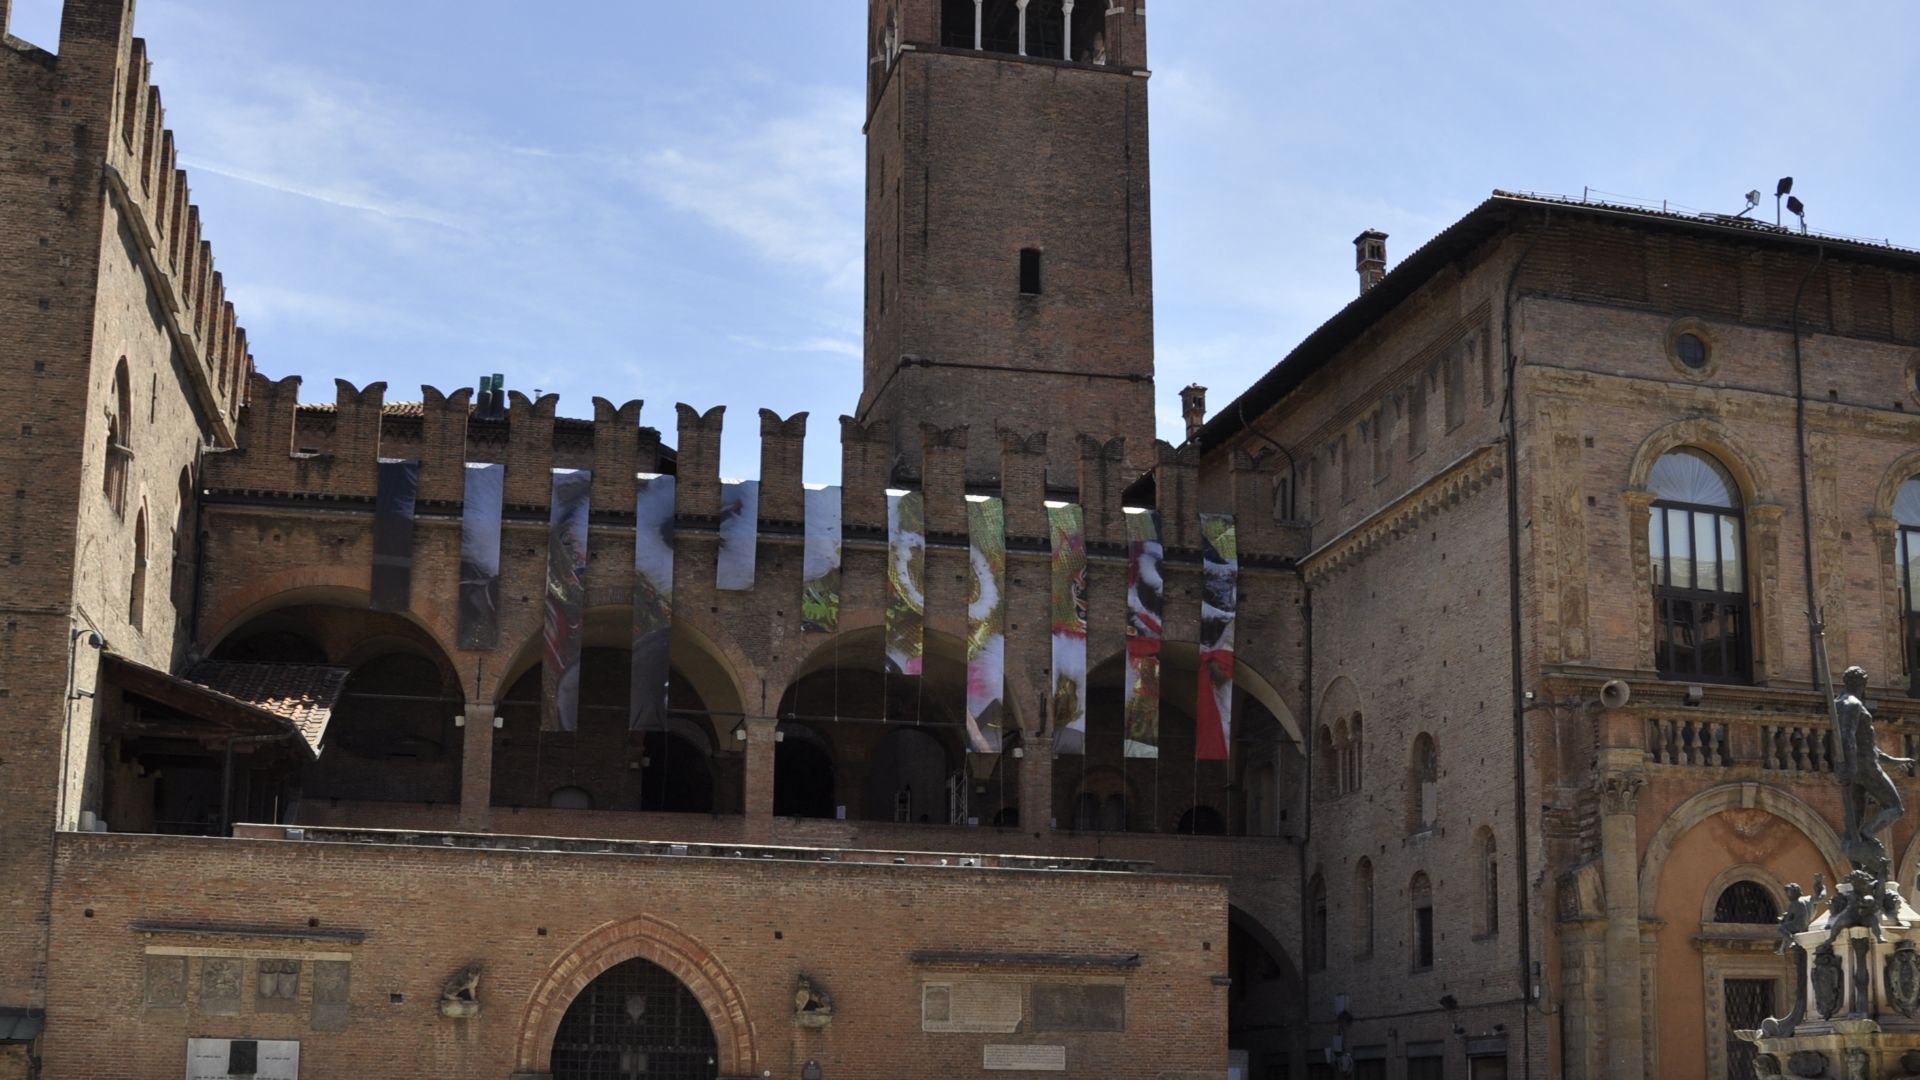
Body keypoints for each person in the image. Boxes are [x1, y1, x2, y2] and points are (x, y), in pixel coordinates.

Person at [1834, 666, 1914, 873]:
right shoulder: (1853, 704)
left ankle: (1859, 870)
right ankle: (1869, 833)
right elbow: (1847, 738)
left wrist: (1893, 761)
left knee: (1855, 819)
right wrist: (1850, 769)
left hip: (1859, 766)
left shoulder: (1839, 703)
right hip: (1866, 768)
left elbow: (1865, 743)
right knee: (1896, 807)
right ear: (1861, 684)